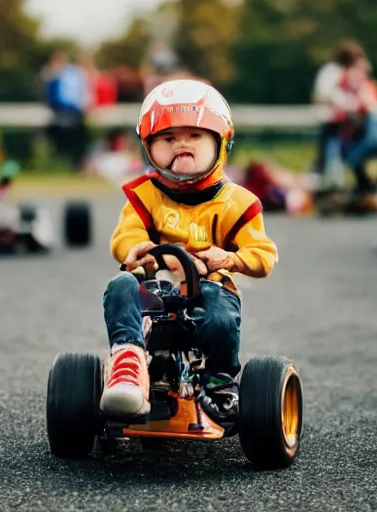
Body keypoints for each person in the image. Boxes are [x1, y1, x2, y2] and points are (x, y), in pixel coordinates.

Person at [100, 80, 278, 426]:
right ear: (149, 148)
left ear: (221, 142)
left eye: (194, 136)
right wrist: (137, 250)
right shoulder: (145, 195)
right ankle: (129, 361)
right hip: (155, 289)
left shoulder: (237, 203)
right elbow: (126, 235)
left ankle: (218, 378)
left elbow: (263, 253)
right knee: (121, 285)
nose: (181, 143)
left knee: (222, 312)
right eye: (168, 138)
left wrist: (231, 259)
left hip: (207, 289)